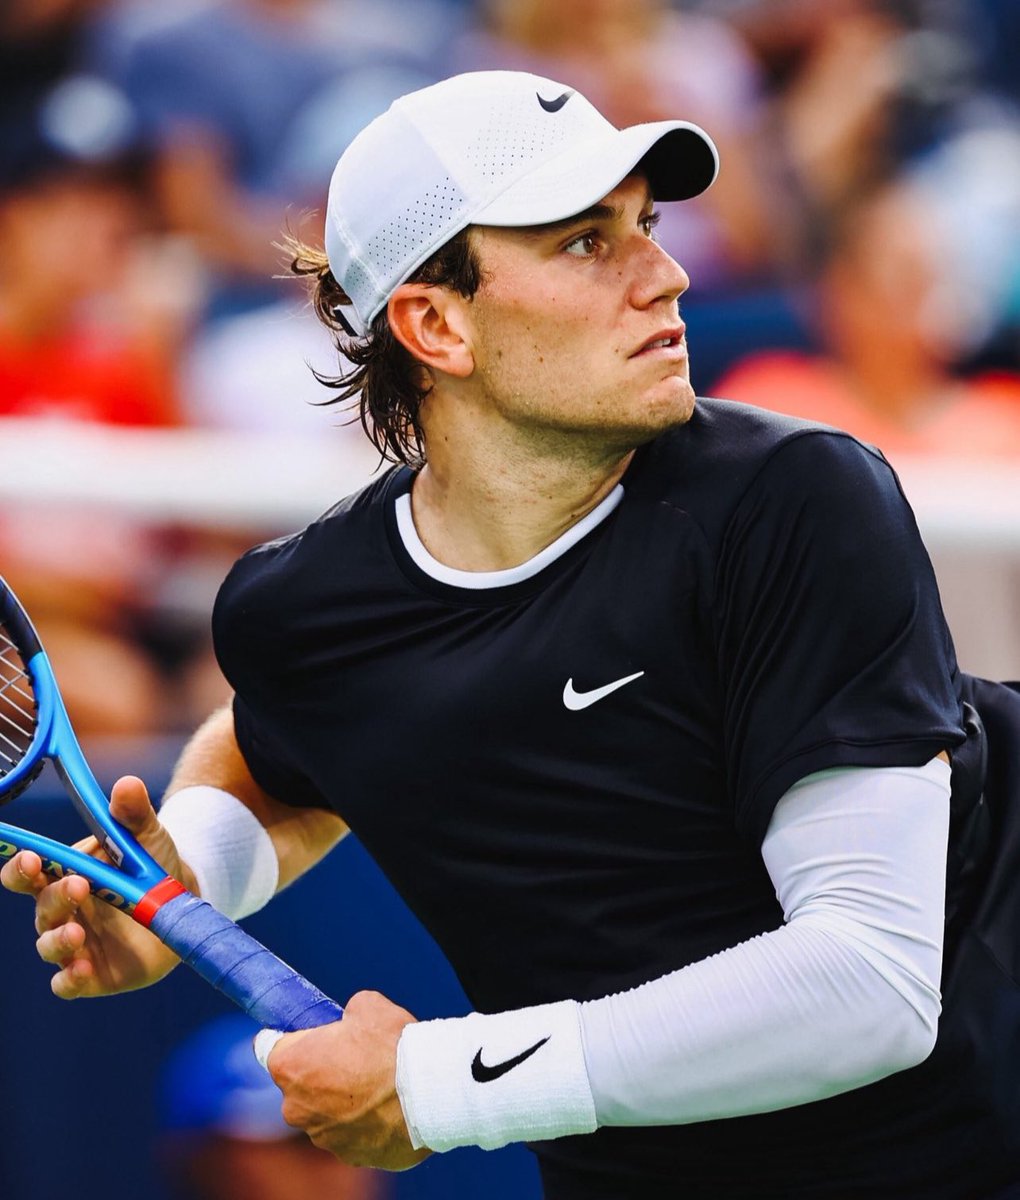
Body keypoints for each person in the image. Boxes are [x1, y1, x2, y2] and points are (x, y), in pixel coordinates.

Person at [4, 70, 1020, 1199]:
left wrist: (438, 1086)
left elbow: (868, 983)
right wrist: (191, 886)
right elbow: (279, 746)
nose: (667, 275)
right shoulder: (309, 606)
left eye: (647, 226)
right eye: (588, 244)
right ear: (436, 324)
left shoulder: (797, 501)